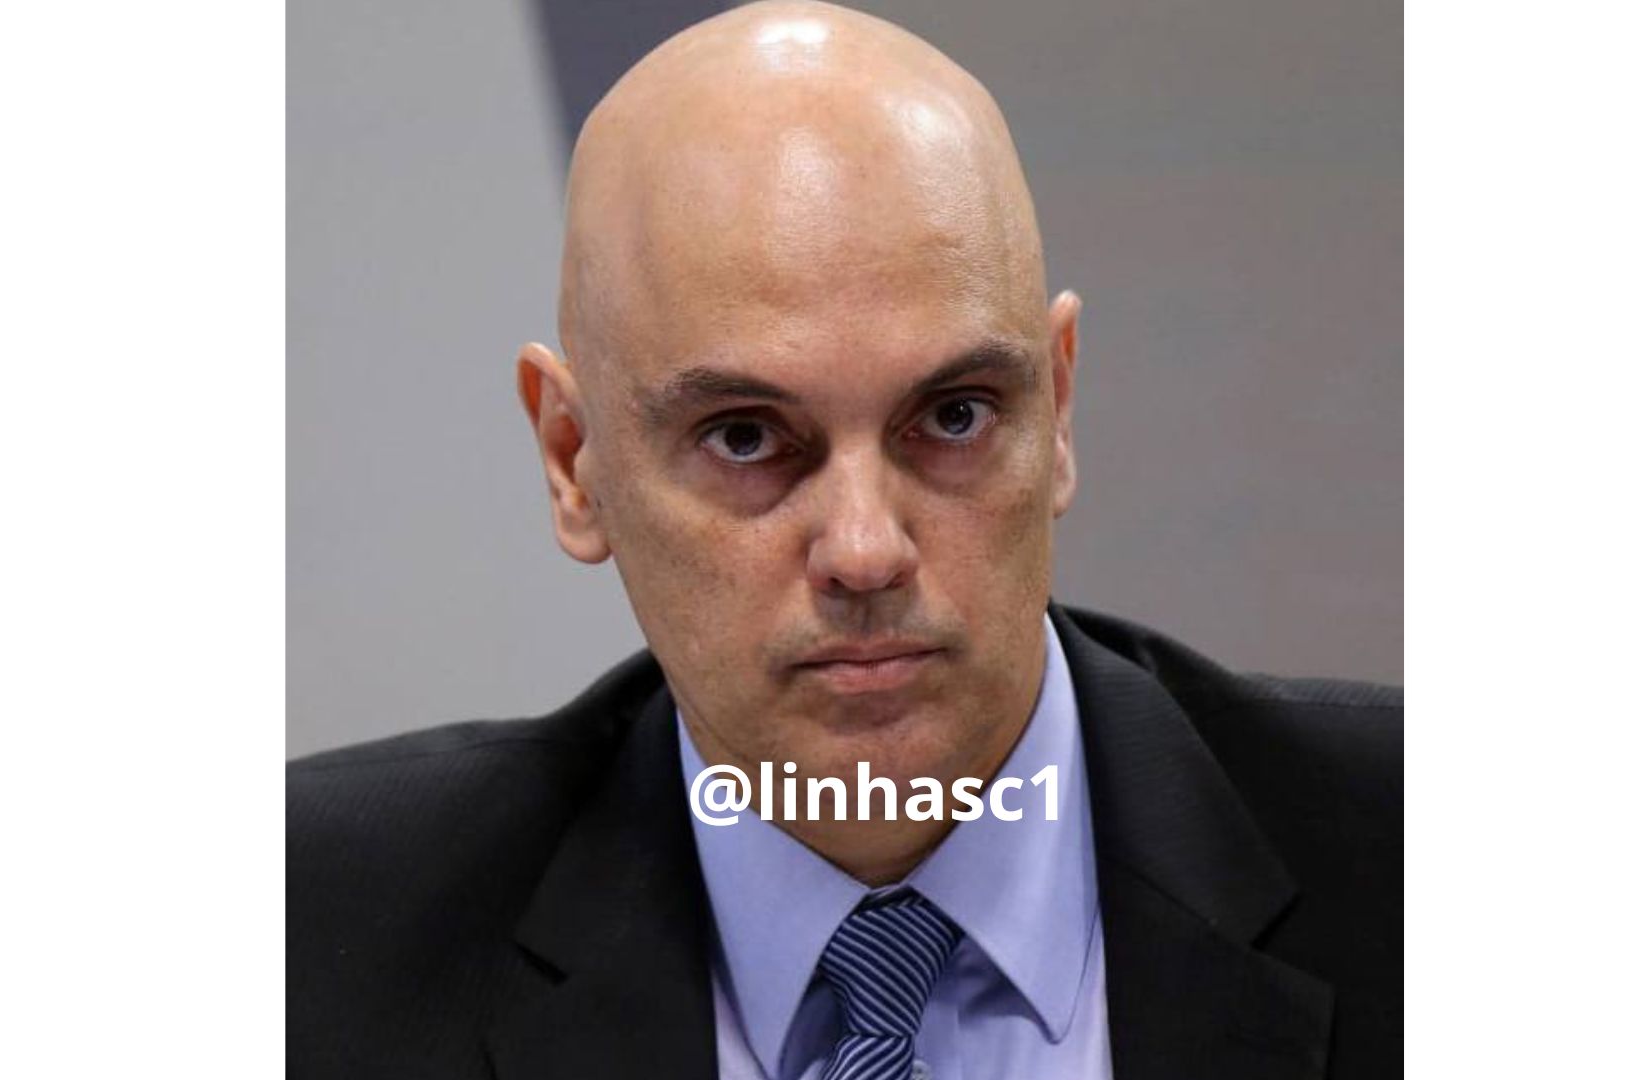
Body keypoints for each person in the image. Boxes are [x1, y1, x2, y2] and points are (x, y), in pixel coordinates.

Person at [287, 3, 1401, 1077]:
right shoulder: (304, 943)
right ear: (574, 460)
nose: (866, 553)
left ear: (1057, 411)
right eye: (744, 437)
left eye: (954, 417)